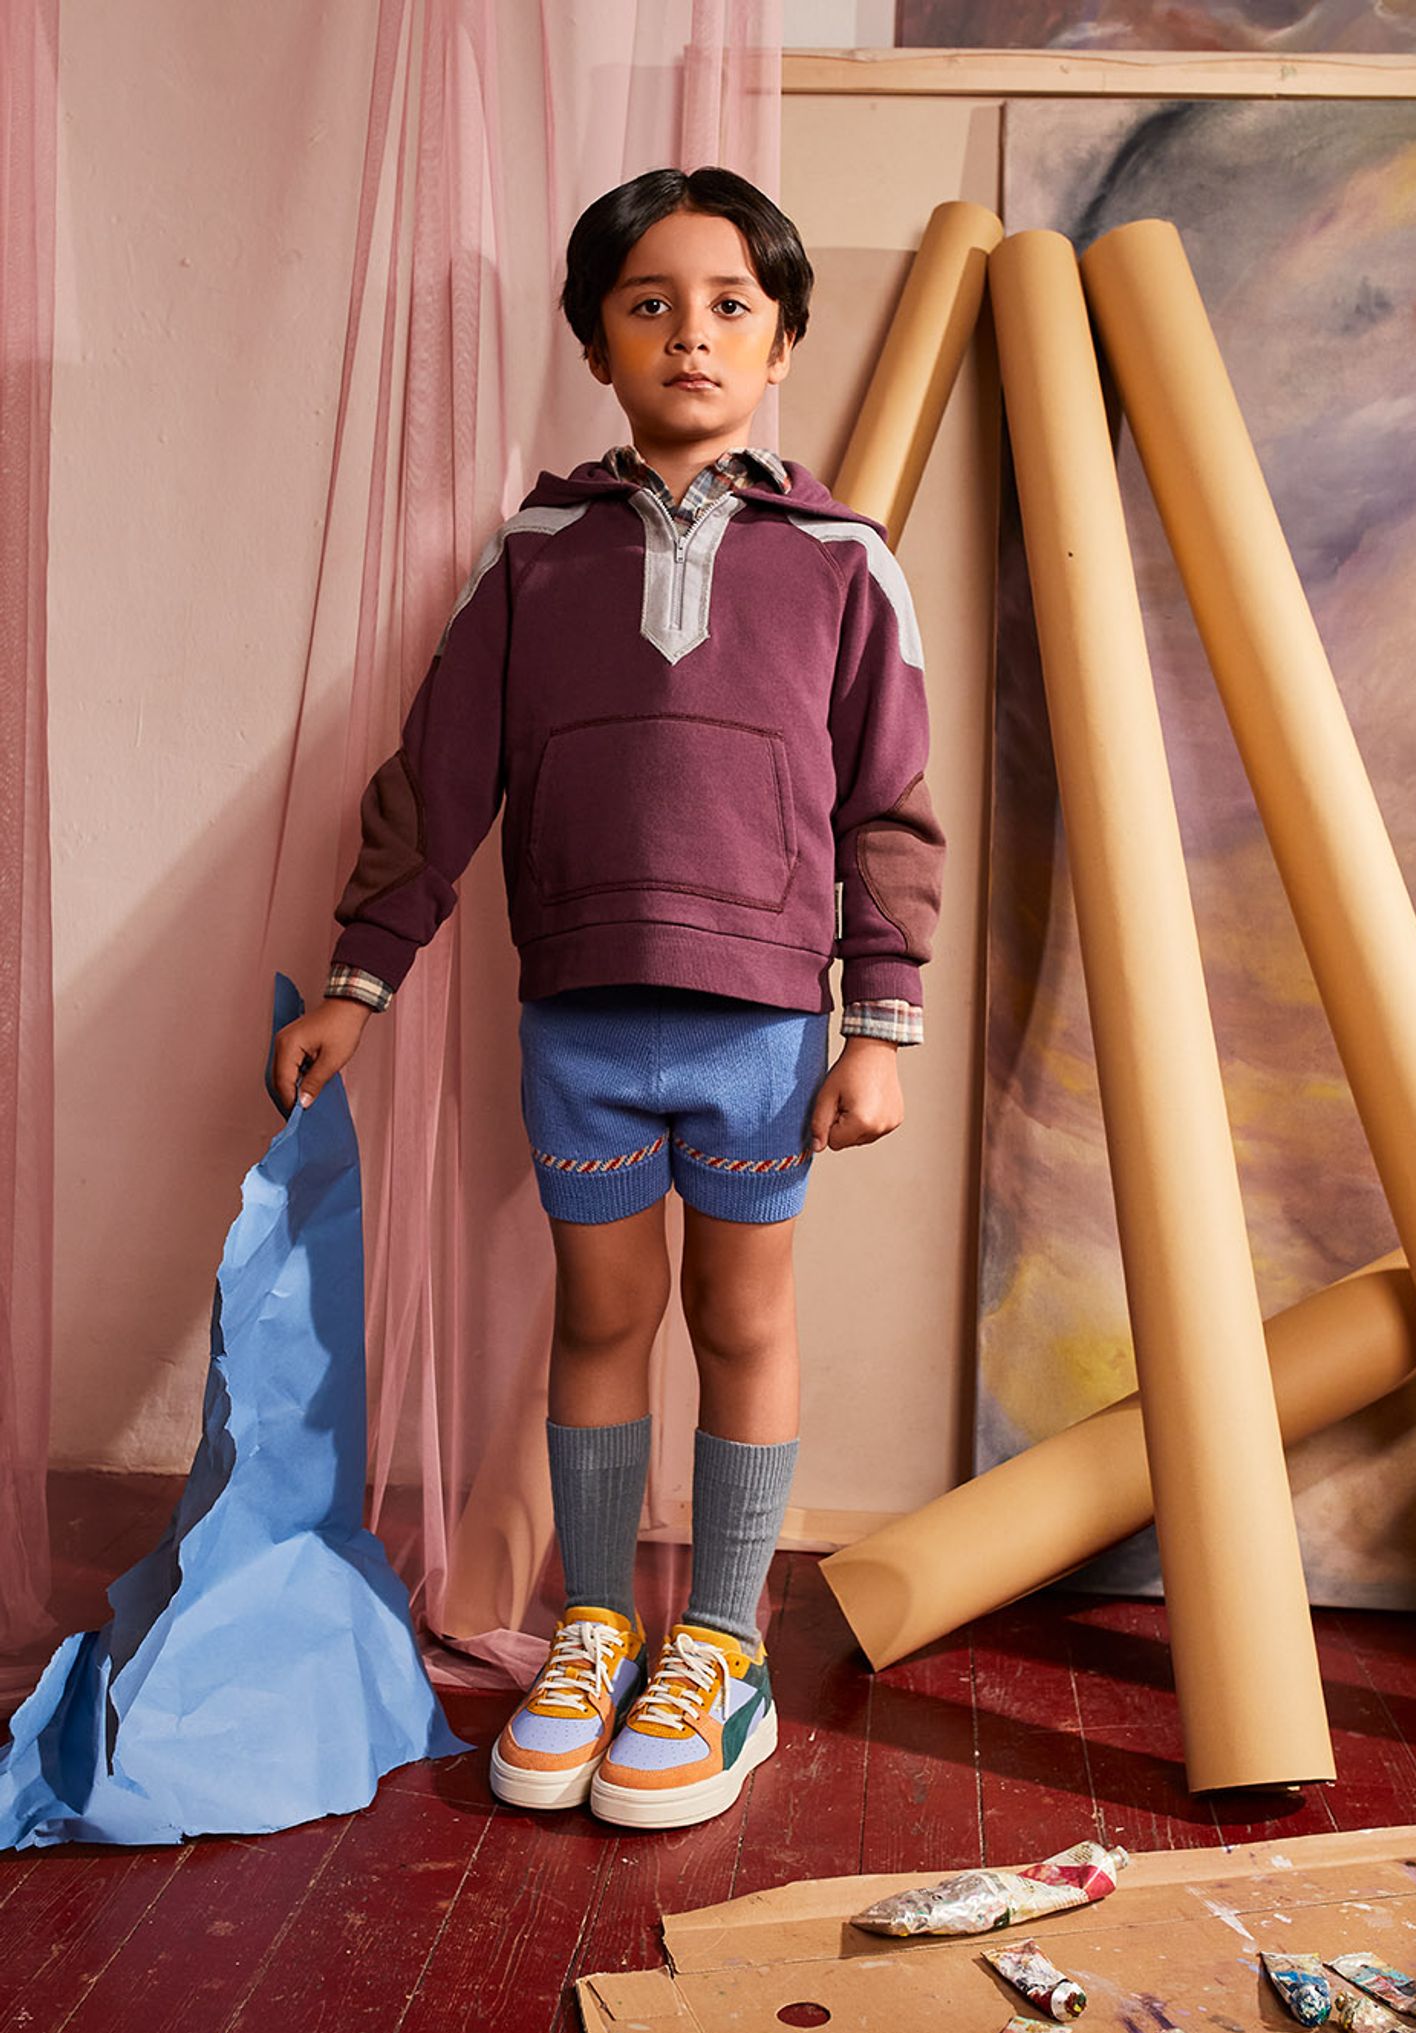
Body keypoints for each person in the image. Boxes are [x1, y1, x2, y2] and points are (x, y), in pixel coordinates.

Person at [271, 166, 946, 1833]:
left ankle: (718, 1644)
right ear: (594, 344)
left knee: (745, 1324)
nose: (690, 332)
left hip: (766, 1032)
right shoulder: (534, 553)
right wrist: (359, 982)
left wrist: (880, 1024)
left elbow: (891, 807)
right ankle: (591, 1626)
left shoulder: (843, 557)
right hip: (576, 1022)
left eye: (728, 304)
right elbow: (436, 782)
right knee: (597, 1320)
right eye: (650, 303)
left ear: (783, 339)